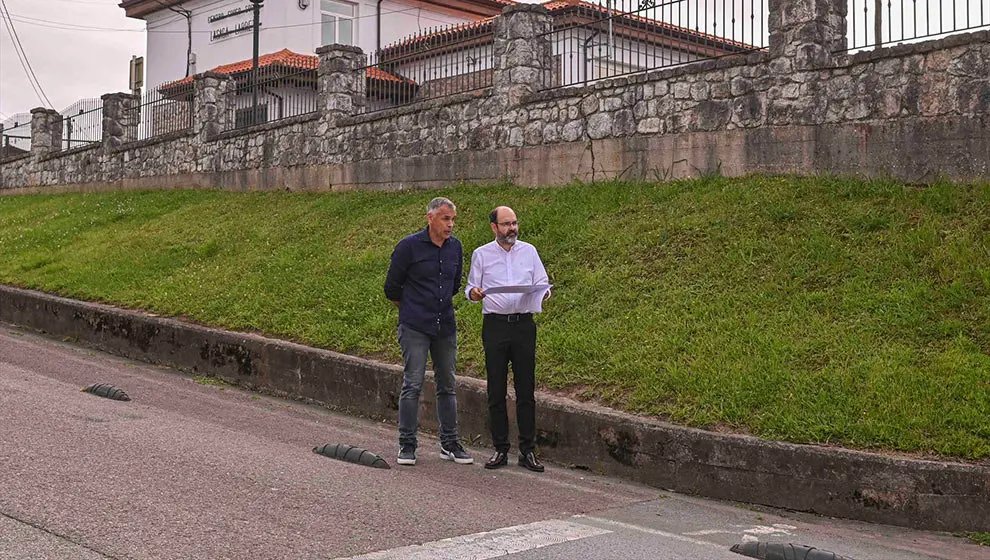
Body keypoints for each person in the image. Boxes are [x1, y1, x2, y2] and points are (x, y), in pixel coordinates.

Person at [383, 197, 473, 466]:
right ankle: (407, 444)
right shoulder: (408, 247)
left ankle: (450, 442)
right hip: (415, 327)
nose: (451, 225)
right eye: (446, 219)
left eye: (453, 219)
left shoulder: (455, 248)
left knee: (448, 384)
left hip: (444, 325)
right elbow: (392, 288)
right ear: (430, 218)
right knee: (413, 384)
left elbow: (455, 284)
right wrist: (413, 307)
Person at [465, 206, 550, 472]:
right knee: (496, 390)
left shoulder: (530, 251)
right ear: (494, 227)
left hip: (523, 325)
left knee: (526, 390)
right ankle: (500, 449)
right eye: (505, 224)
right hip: (496, 326)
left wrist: (542, 294)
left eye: (514, 223)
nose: (511, 229)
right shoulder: (481, 254)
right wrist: (475, 293)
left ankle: (528, 451)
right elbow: (470, 288)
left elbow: (544, 283)